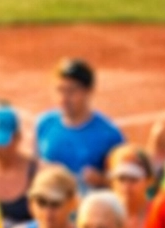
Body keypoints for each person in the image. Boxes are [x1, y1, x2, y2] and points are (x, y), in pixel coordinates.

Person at [34, 56, 123, 189]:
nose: (64, 98)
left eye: (71, 91)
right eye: (60, 90)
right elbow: (35, 168)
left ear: (89, 91)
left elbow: (123, 183)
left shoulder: (110, 135)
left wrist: (101, 180)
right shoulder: (44, 124)